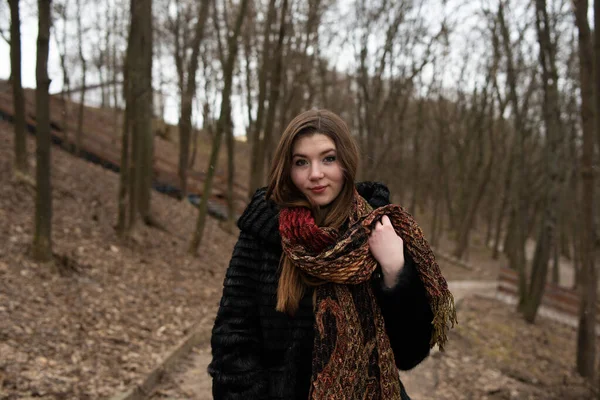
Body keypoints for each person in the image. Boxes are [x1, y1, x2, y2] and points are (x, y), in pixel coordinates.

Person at [208, 109, 456, 399]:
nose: (316, 174)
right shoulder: (264, 231)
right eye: (301, 162)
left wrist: (395, 270)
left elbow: (409, 353)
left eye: (328, 158)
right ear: (287, 169)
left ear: (346, 161)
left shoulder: (378, 230)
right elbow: (233, 342)